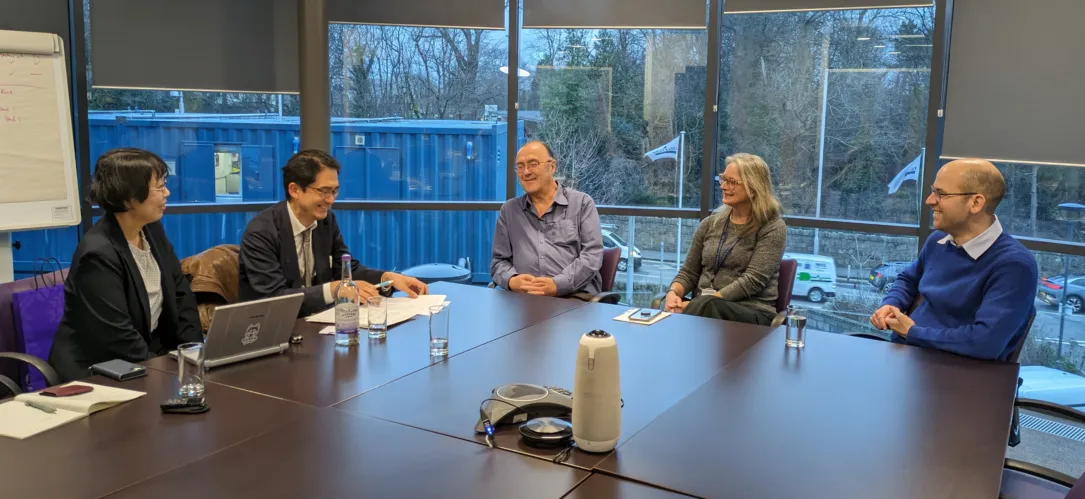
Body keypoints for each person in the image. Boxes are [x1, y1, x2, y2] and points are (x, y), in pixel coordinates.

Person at [49, 149, 203, 381]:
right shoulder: (97, 254)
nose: (167, 193)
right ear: (129, 198)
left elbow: (181, 296)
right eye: (159, 188)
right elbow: (116, 337)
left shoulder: (151, 229)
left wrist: (192, 354)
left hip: (146, 358)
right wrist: (166, 371)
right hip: (102, 371)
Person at [870, 158, 1037, 360]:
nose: (930, 200)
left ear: (975, 203)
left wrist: (913, 333)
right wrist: (892, 304)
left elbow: (984, 342)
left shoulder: (1014, 266)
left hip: (957, 377)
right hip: (908, 358)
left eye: (941, 194)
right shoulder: (937, 241)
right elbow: (908, 280)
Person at [239, 150, 427, 318]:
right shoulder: (261, 232)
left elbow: (345, 269)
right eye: (323, 191)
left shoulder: (326, 221)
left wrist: (388, 278)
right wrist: (333, 289)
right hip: (271, 332)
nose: (330, 200)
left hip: (316, 329)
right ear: (295, 190)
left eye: (335, 191)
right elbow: (274, 299)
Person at [663, 153, 786, 325]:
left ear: (753, 188)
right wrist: (673, 293)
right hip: (703, 311)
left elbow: (752, 281)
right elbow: (689, 272)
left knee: (708, 306)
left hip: (751, 313)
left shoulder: (772, 227)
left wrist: (699, 304)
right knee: (675, 306)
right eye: (723, 179)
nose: (723, 186)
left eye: (732, 182)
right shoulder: (710, 224)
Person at [490, 141, 603, 300]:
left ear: (552, 167)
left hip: (572, 297)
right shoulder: (509, 211)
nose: (526, 172)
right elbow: (498, 261)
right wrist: (512, 280)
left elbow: (592, 256)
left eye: (533, 164)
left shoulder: (582, 204)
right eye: (520, 167)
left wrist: (557, 285)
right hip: (522, 299)